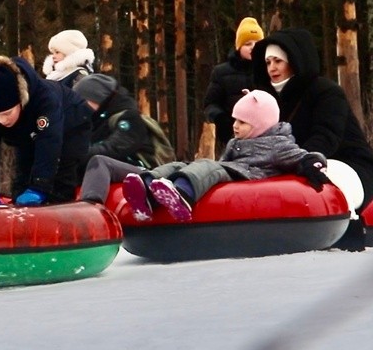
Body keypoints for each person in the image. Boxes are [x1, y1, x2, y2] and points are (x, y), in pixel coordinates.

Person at [120, 90, 329, 222]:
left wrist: (313, 162)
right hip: (230, 170)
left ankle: (183, 194)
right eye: (235, 120)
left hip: (248, 177)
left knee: (208, 166)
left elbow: (301, 156)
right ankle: (145, 187)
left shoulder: (277, 143)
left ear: (261, 124)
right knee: (178, 164)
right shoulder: (237, 141)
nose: (235, 126)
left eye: (242, 122)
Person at [251, 27, 373, 211]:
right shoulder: (272, 99)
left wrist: (300, 160)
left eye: (278, 61)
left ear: (295, 61)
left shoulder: (327, 92)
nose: (272, 68)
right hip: (297, 163)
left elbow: (327, 136)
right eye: (268, 62)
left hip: (347, 163)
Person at [0, 55, 92, 206]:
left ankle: (64, 218)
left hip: (72, 122)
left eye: (7, 113)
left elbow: (49, 142)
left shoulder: (45, 100)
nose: (3, 120)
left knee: (59, 182)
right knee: (22, 182)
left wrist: (39, 187)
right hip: (29, 133)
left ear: (21, 101)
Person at [204, 17, 265, 151]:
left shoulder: (269, 70)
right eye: (248, 43)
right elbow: (210, 104)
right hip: (231, 139)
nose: (253, 47)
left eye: (257, 43)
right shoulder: (221, 72)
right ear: (239, 46)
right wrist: (221, 121)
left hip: (264, 139)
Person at [73, 73, 157, 170]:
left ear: (97, 97)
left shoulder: (129, 118)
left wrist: (75, 155)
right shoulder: (94, 120)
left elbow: (115, 149)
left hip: (135, 174)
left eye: (83, 101)